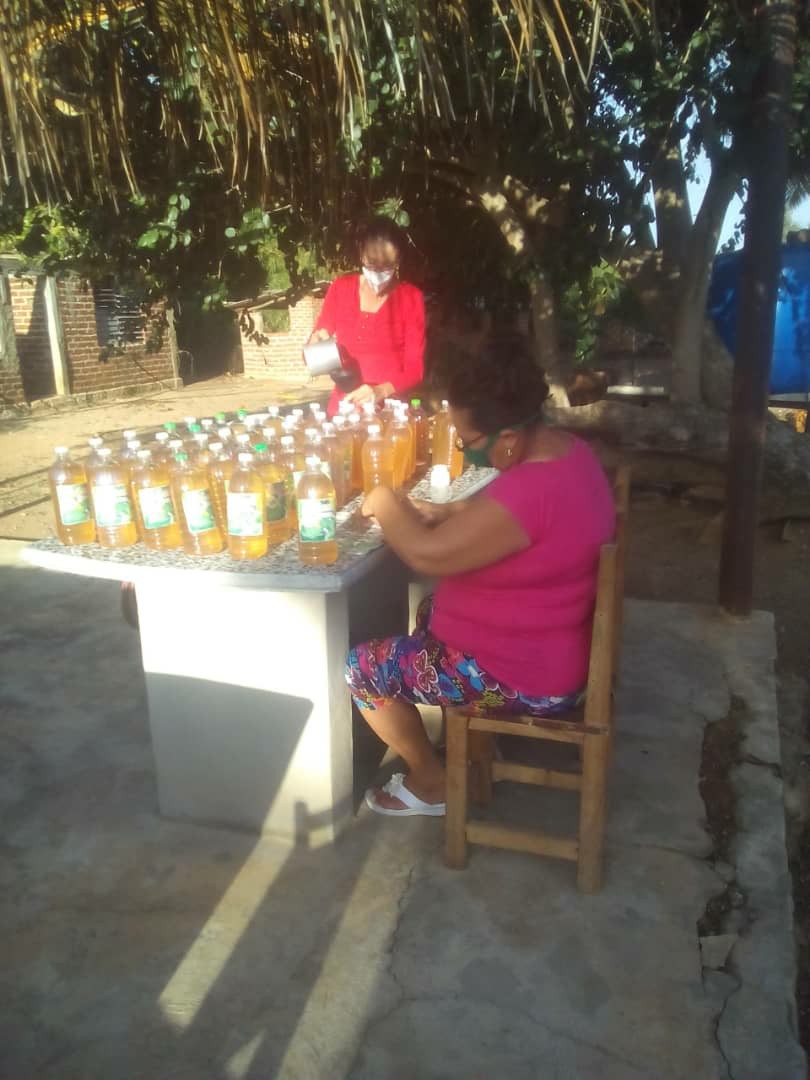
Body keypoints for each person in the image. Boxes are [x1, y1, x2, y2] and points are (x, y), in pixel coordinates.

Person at [346, 334, 616, 817]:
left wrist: (386, 500)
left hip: (522, 676)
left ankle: (433, 781)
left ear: (508, 440)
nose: (464, 451)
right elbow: (507, 514)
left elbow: (426, 557)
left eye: (467, 442)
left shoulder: (532, 491)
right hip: (550, 646)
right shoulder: (568, 453)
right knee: (428, 610)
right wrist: (448, 511)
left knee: (364, 668)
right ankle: (454, 743)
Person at [307, 217, 425, 415]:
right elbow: (310, 357)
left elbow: (415, 369)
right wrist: (316, 345)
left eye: (387, 265)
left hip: (390, 412)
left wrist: (380, 391)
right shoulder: (341, 288)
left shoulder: (410, 297)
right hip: (344, 409)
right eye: (372, 264)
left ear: (398, 260)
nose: (378, 272)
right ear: (361, 254)